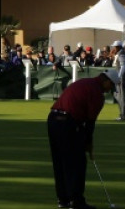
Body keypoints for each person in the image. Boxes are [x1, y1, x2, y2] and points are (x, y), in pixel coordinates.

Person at [47, 69, 120, 209]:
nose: (111, 89)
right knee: (77, 162)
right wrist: (88, 144)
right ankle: (76, 201)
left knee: (60, 162)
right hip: (67, 122)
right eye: (111, 85)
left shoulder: (84, 81)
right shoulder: (97, 94)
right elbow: (90, 123)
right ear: (106, 81)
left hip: (53, 120)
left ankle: (63, 200)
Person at [111, 40, 125, 121]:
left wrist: (119, 77)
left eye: (115, 47)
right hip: (122, 77)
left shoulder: (122, 53)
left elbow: (123, 66)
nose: (114, 48)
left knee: (121, 96)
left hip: (122, 78)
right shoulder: (121, 53)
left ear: (118, 47)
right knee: (117, 95)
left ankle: (123, 115)